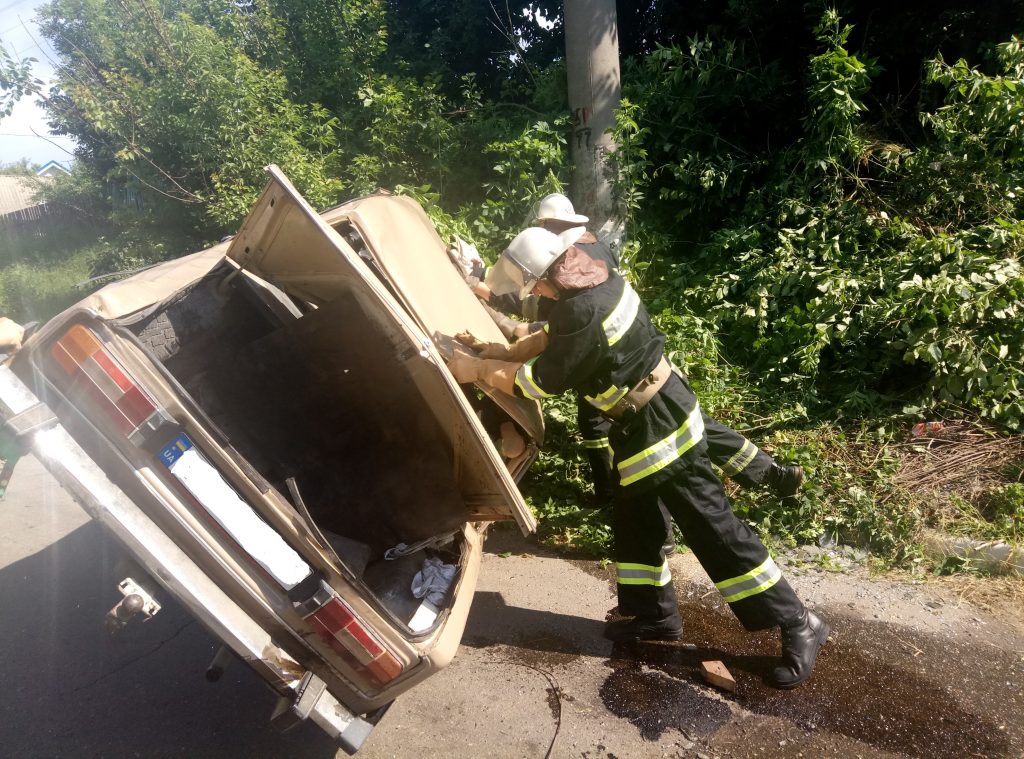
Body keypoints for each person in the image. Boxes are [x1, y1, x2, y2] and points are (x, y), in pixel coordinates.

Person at [447, 226, 828, 689]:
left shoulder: (585, 306)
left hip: (660, 426)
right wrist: (502, 350)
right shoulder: (591, 266)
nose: (539, 292)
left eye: (538, 284)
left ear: (554, 271)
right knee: (636, 523)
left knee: (714, 528)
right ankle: (656, 617)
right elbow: (553, 333)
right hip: (639, 423)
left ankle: (797, 621)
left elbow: (539, 382)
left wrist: (476, 369)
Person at [459, 193, 805, 505]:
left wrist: (484, 356)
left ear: (549, 228)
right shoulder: (591, 250)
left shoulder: (566, 274)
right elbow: (552, 321)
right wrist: (506, 348)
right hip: (637, 359)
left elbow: (550, 336)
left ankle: (616, 498)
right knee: (694, 427)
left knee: (610, 435)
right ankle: (772, 475)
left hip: (606, 366)